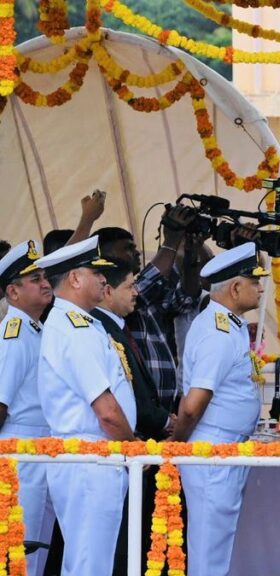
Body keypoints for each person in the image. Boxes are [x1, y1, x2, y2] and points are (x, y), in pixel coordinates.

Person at [36, 236, 137, 575]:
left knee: (91, 561)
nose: (104, 279)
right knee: (89, 564)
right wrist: (132, 448)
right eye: (97, 273)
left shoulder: (83, 322)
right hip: (91, 458)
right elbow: (106, 410)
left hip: (96, 456)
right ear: (75, 278)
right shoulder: (73, 328)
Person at [173, 242, 268, 576]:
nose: (260, 288)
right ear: (235, 288)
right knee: (209, 548)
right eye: (254, 281)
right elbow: (193, 405)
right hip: (212, 448)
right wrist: (176, 445)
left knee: (218, 544)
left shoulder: (229, 325)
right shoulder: (218, 331)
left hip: (224, 446)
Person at [91, 260, 175, 576]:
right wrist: (164, 422)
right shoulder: (102, 329)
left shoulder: (113, 326)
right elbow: (127, 395)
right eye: (129, 285)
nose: (136, 292)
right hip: (118, 446)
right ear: (108, 291)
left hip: (131, 443)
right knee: (112, 546)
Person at [98, 205, 199, 412]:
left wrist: (191, 252)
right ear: (105, 254)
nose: (136, 253)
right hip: (138, 413)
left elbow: (185, 298)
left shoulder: (142, 290)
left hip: (165, 411)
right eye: (127, 248)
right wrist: (172, 238)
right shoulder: (104, 293)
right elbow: (146, 284)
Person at [0, 240, 55, 576]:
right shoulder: (14, 334)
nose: (46, 283)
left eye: (45, 277)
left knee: (36, 548)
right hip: (19, 452)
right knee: (19, 550)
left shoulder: (36, 329)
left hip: (40, 448)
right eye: (36, 279)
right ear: (13, 292)